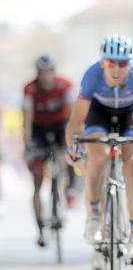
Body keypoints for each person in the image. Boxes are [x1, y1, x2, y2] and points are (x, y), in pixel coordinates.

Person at [65, 35, 133, 265]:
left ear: (130, 64)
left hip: (130, 115)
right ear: (103, 63)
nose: (117, 69)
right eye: (111, 63)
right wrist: (72, 147)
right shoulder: (92, 75)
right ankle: (93, 215)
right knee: (97, 154)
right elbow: (75, 121)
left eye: (123, 64)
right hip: (98, 114)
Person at [23, 54, 75, 247]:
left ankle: (67, 188)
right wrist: (27, 144)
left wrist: (72, 140)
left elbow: (73, 114)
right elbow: (27, 118)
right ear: (37, 74)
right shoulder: (29, 88)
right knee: (37, 182)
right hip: (38, 130)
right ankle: (40, 229)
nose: (45, 77)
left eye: (48, 73)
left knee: (67, 158)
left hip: (61, 126)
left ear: (54, 72)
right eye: (41, 73)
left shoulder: (65, 85)